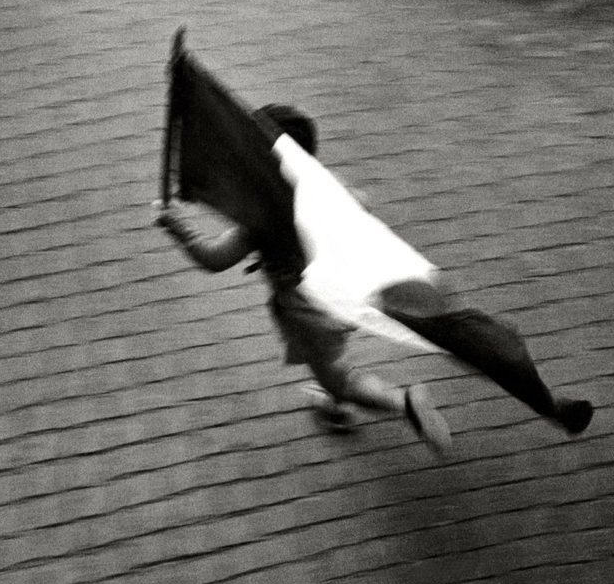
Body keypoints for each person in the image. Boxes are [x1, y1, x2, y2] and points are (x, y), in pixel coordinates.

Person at [155, 103, 452, 455]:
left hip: (306, 311)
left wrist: (177, 228)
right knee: (329, 360)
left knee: (339, 378)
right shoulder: (321, 188)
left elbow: (214, 259)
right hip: (342, 293)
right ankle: (335, 409)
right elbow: (362, 204)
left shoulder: (263, 219)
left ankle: (403, 403)